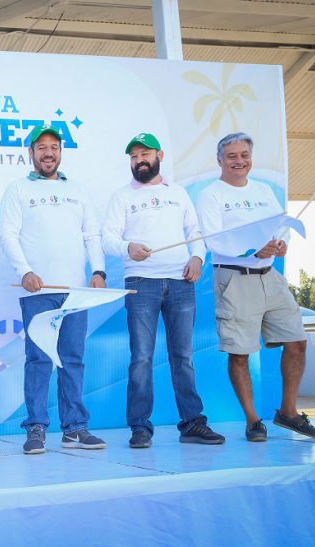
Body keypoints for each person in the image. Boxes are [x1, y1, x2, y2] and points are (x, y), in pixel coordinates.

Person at [196, 132, 315, 442]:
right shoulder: (211, 194)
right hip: (234, 278)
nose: (239, 161)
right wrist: (253, 252)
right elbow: (214, 241)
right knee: (239, 353)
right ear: (219, 160)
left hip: (270, 276)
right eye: (232, 156)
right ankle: (253, 421)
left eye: (244, 155)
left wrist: (281, 243)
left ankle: (288, 413)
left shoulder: (264, 190)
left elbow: (280, 226)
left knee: (297, 341)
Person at [102, 132, 224, 448]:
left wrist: (197, 258)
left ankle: (192, 423)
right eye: (133, 156)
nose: (139, 160)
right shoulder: (121, 197)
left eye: (144, 154)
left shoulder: (178, 193)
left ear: (159, 156)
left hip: (181, 282)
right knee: (142, 357)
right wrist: (128, 247)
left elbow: (195, 232)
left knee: (183, 356)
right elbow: (108, 239)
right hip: (141, 283)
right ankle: (140, 428)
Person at [0, 125, 107, 454]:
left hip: (75, 291)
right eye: (42, 147)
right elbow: (8, 234)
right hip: (38, 290)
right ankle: (36, 427)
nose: (49, 153)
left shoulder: (77, 190)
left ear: (60, 152)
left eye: (54, 147)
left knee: (72, 359)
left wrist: (98, 270)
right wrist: (25, 271)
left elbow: (92, 234)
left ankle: (75, 428)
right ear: (31, 153)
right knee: (39, 359)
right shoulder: (17, 189)